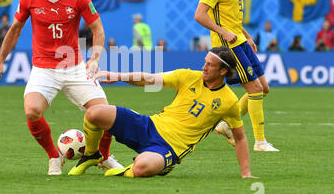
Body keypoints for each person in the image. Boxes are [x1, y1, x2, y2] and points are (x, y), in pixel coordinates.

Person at [0, 0, 123, 175]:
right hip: (43, 69)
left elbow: (97, 28)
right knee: (32, 111)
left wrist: (95, 58)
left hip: (75, 67)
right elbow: (15, 30)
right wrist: (0, 61)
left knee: (105, 113)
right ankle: (54, 156)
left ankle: (104, 157)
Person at [68, 47, 257, 178]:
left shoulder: (229, 101)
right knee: (94, 113)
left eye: (210, 65)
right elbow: (149, 79)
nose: (204, 67)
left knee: (141, 168)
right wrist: (116, 76)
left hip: (168, 149)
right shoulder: (188, 76)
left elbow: (240, 138)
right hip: (149, 125)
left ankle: (124, 171)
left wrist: (246, 173)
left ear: (223, 70)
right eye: (205, 62)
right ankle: (92, 155)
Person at [194, 0, 278, 152]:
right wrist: (222, 32)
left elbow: (232, 18)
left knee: (264, 89)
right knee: (255, 89)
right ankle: (260, 142)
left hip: (241, 41)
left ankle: (224, 125)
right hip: (228, 46)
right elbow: (200, 15)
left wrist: (248, 36)